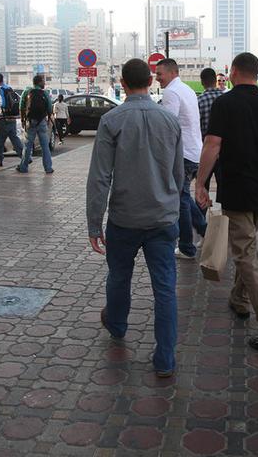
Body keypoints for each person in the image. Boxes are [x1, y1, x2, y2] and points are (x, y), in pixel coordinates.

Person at [87, 58, 183, 378]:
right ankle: (165, 358)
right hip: (162, 220)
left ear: (124, 84)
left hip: (124, 219)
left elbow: (100, 177)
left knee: (118, 276)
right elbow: (178, 175)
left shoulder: (112, 120)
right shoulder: (169, 121)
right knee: (165, 288)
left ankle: (117, 324)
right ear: (151, 82)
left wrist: (93, 223)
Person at [196, 52, 258, 351]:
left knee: (245, 253)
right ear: (257, 73)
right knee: (246, 247)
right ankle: (239, 300)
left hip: (236, 189)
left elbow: (212, 144)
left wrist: (200, 183)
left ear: (234, 71)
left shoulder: (225, 103)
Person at [156, 58, 207, 259]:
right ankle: (204, 230)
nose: (157, 78)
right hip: (195, 152)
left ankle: (187, 247)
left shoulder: (171, 92)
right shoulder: (185, 89)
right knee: (183, 196)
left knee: (181, 201)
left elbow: (168, 126)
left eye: (160, 74)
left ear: (172, 72)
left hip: (183, 154)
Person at [18, 74, 54, 174]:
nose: (44, 83)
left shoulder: (27, 92)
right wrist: (48, 119)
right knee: (45, 146)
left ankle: (23, 167)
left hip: (30, 122)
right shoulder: (45, 93)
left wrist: (23, 120)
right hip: (41, 122)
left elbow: (21, 107)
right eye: (43, 81)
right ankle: (48, 168)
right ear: (39, 82)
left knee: (27, 146)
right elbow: (50, 108)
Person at [0, 72, 23, 168]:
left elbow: (2, 103)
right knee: (15, 139)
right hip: (12, 117)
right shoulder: (9, 88)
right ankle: (25, 157)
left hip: (3, 119)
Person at [196, 68, 223, 137]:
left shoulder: (199, 100)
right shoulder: (226, 97)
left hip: (206, 142)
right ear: (215, 80)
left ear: (202, 82)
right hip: (226, 143)